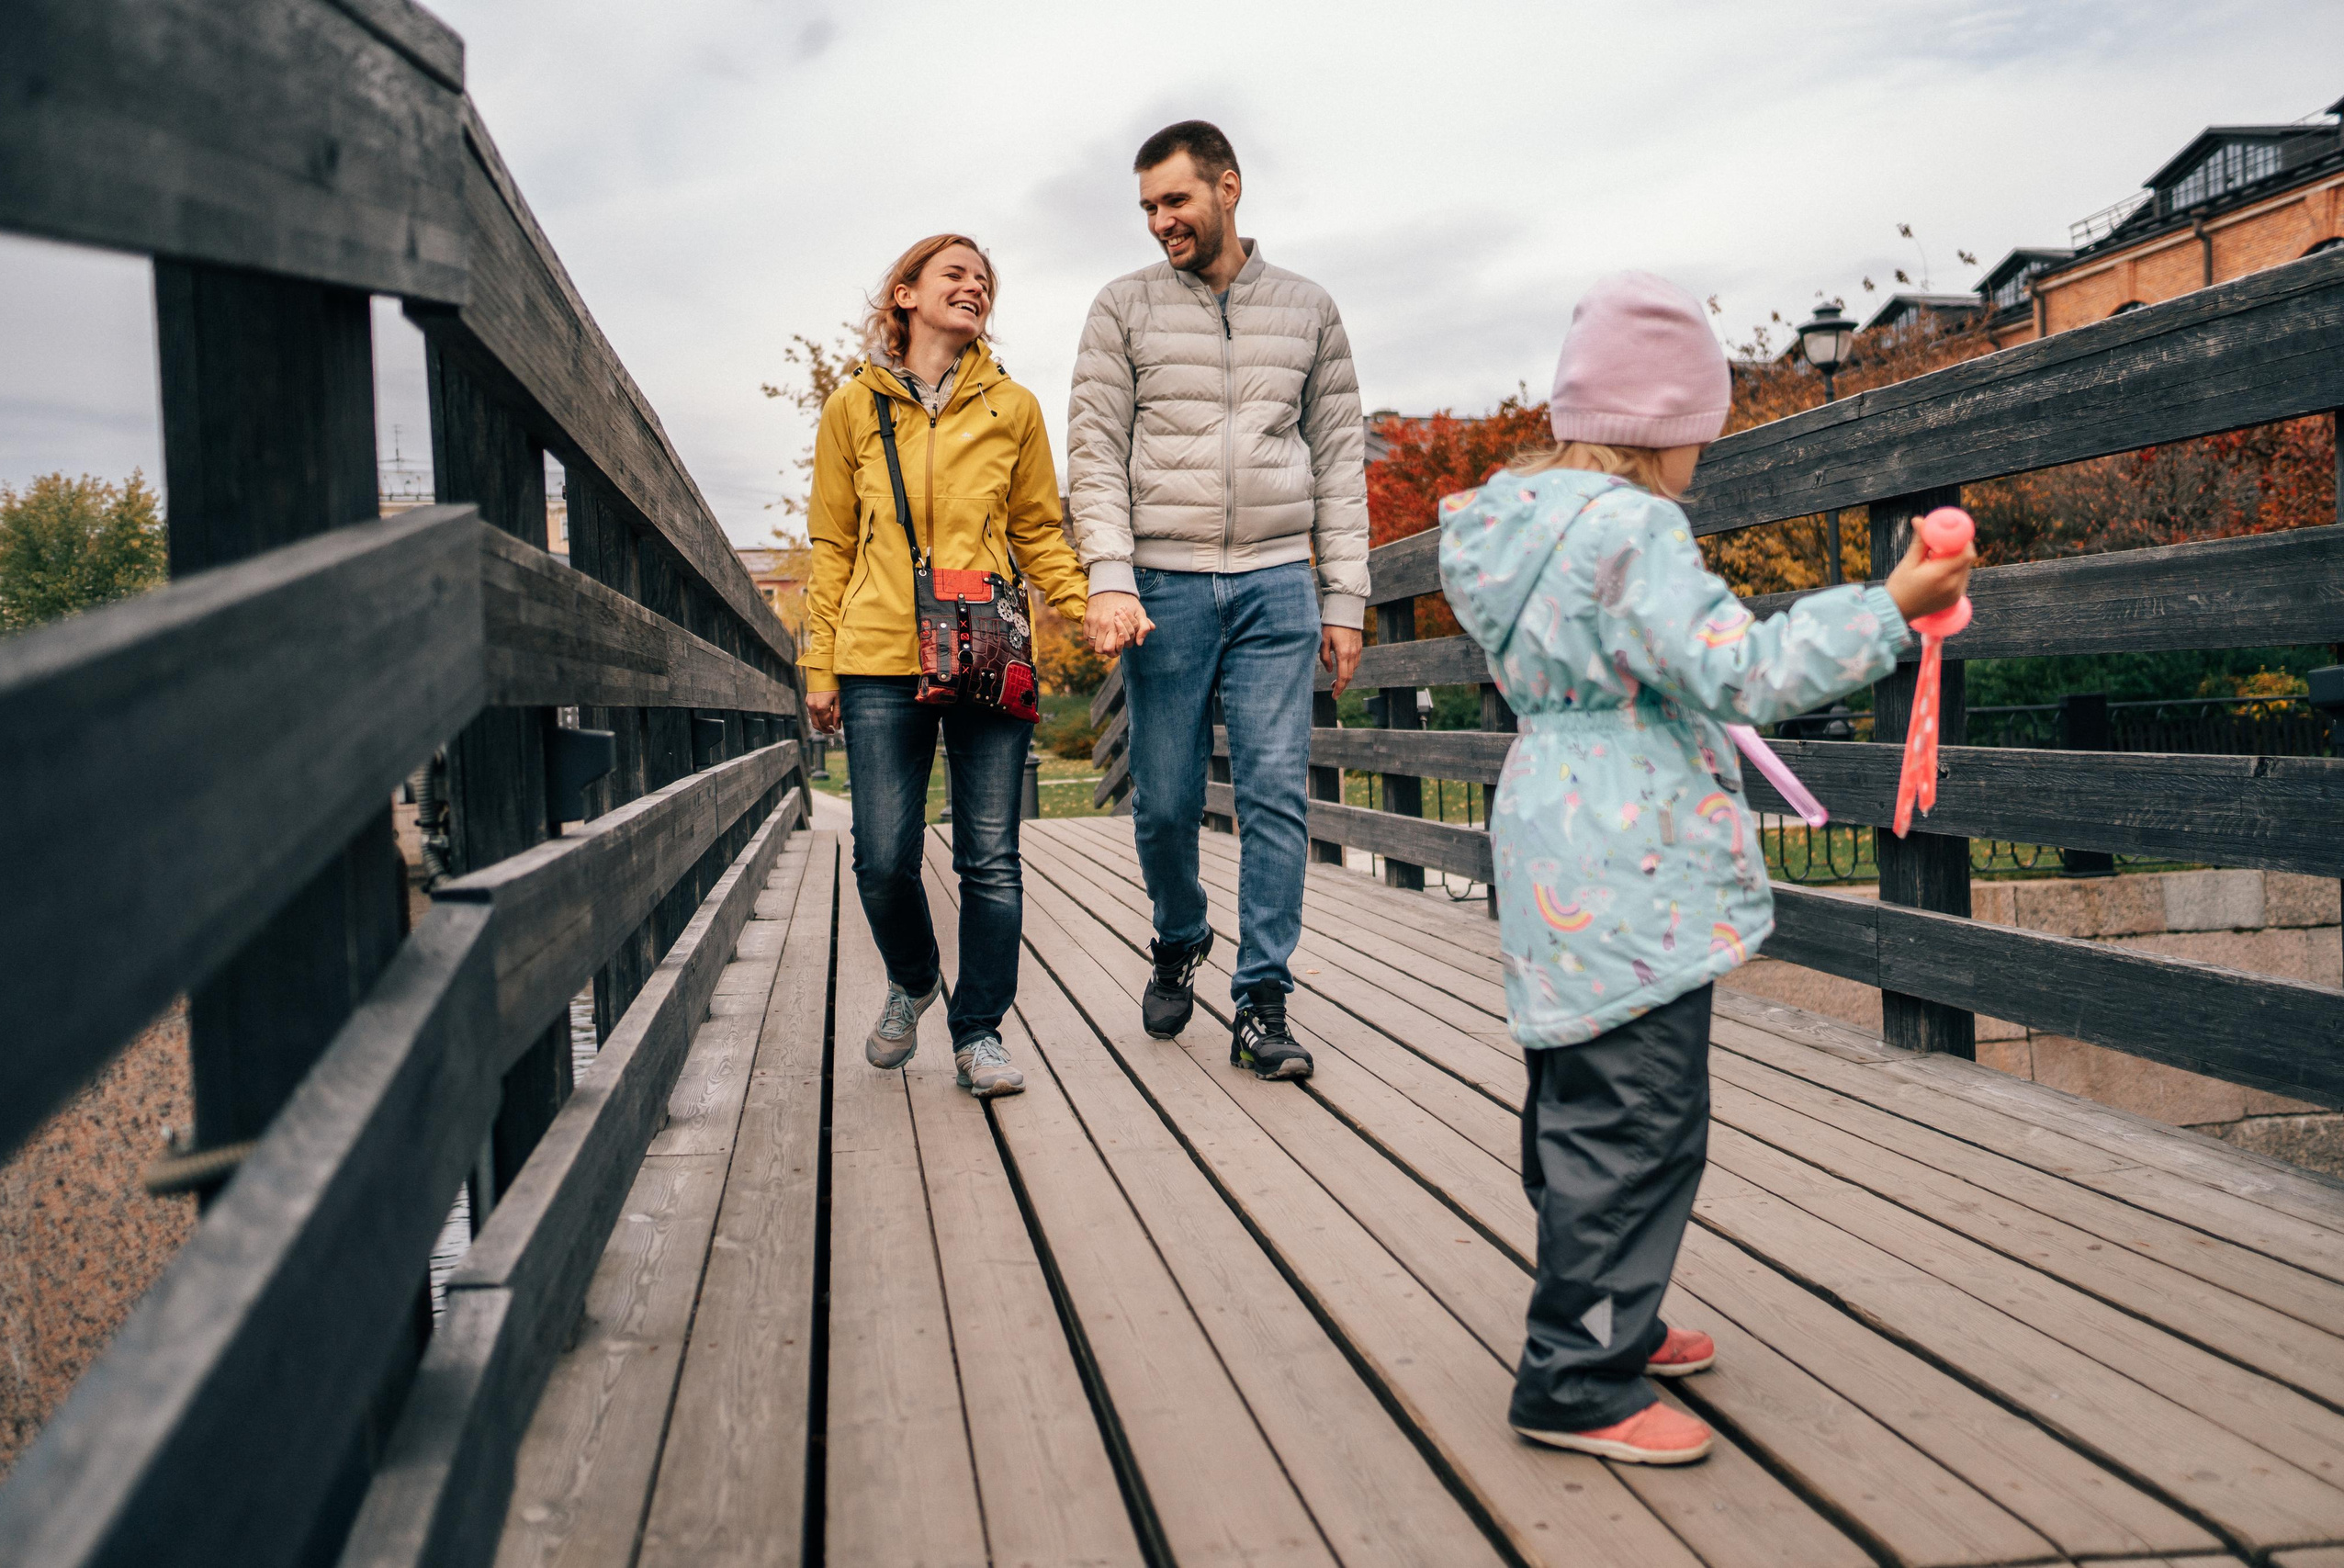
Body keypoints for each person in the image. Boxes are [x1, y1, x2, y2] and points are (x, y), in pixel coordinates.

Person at [1437, 273, 1974, 1463]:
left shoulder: (1513, 527)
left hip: (1550, 827)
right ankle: (1575, 1375)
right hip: (1633, 853)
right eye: (1699, 435)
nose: (1700, 462)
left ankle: (1613, 1313)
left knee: (1580, 1097)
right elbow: (1744, 670)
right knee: (1642, 1115)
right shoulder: (1633, 531)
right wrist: (1890, 606)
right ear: (1664, 423)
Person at [1067, 119, 1369, 1080]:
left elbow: (1341, 460)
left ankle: (1262, 1000)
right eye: (1148, 207)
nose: (1161, 220)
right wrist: (1110, 574)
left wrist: (1345, 596)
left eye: (1176, 200)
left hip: (1278, 582)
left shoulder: (1308, 309)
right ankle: (1180, 930)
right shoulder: (1122, 308)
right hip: (1164, 585)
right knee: (1164, 802)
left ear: (1227, 188)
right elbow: (1094, 453)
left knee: (1277, 793)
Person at [802, 233, 1089, 1098]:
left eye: (984, 279)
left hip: (986, 647)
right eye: (954, 273)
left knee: (990, 856)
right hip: (880, 655)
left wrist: (1090, 606)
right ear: (906, 293)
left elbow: (1039, 532)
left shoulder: (1014, 408)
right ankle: (916, 976)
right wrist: (820, 665)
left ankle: (980, 1033)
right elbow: (831, 545)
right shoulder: (853, 407)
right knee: (882, 857)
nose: (974, 286)